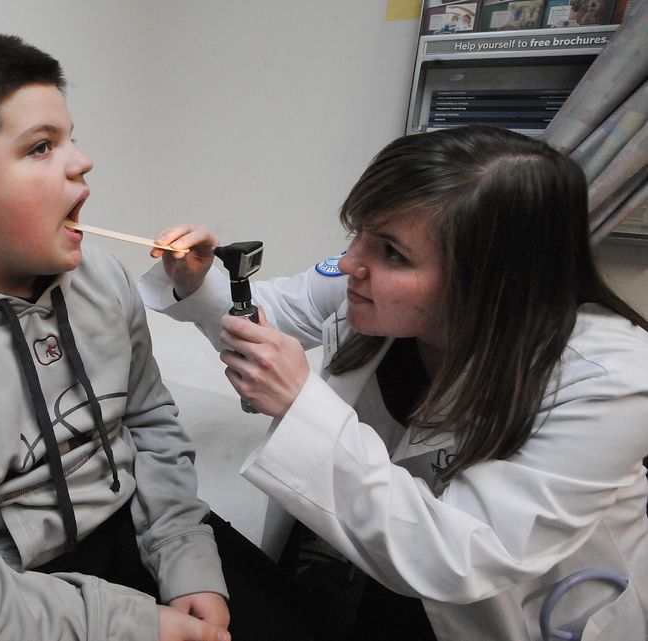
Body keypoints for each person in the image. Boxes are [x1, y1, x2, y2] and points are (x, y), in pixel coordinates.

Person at [0, 33, 312, 641]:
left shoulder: (101, 277)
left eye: (70, 138)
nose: (82, 161)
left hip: (132, 528)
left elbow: (149, 422)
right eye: (41, 146)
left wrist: (185, 555)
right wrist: (134, 625)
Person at [138, 125, 648, 641]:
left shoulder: (609, 380)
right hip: (373, 567)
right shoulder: (366, 282)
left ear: (494, 279)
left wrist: (299, 404)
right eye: (358, 233)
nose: (350, 263)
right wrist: (197, 282)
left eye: (393, 253)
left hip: (508, 609)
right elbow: (280, 311)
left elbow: (462, 555)